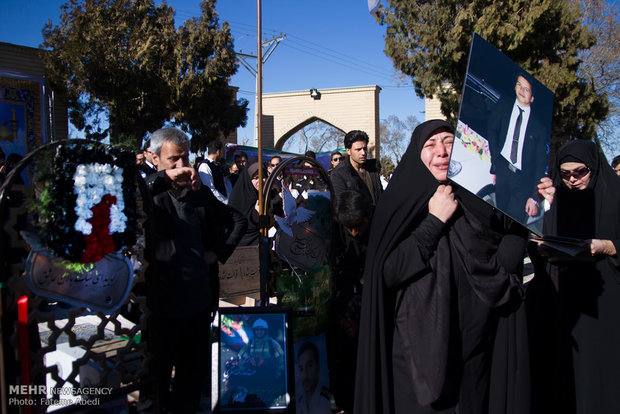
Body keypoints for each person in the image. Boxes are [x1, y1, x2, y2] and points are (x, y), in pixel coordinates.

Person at [354, 120, 529, 414]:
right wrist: (433, 222)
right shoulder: (398, 203)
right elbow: (387, 273)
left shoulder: (480, 203)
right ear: (416, 153)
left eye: (449, 142)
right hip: (418, 361)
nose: (442, 152)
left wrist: (525, 217)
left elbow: (500, 268)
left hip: (473, 355)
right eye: (431, 145)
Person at [140, 127, 247, 413]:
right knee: (155, 386)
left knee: (190, 384)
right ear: (154, 158)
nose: (181, 166)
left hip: (198, 307)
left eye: (185, 158)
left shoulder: (199, 195)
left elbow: (238, 221)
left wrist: (218, 253)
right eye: (173, 159)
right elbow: (131, 192)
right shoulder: (149, 196)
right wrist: (164, 179)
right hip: (161, 309)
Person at [526, 140, 620, 414]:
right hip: (563, 304)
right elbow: (533, 238)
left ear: (594, 167)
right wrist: (541, 247)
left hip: (606, 306)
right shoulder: (555, 199)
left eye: (580, 172)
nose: (572, 180)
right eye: (565, 174)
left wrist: (607, 246)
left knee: (603, 378)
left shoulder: (614, 197)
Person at [487, 72, 548, 222]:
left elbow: (540, 164)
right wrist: (496, 162)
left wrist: (534, 197)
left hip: (523, 181)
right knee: (498, 217)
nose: (521, 90)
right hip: (502, 171)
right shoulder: (504, 105)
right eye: (519, 85)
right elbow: (492, 130)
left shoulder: (539, 127)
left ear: (532, 98)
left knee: (515, 223)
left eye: (526, 89)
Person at [330, 130, 383, 209]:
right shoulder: (338, 174)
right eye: (358, 149)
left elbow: (380, 195)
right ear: (348, 150)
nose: (363, 153)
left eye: (365, 148)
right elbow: (342, 207)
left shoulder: (372, 168)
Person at [228, 158, 265, 246]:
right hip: (247, 246)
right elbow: (239, 225)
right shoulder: (238, 197)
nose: (260, 181)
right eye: (256, 178)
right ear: (249, 179)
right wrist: (256, 213)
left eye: (263, 177)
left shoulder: (269, 193)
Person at [296, 341, 331, 414]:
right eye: (301, 368)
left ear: (318, 366)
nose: (305, 375)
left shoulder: (326, 400)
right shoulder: (299, 401)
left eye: (309, 366)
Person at [198, 140, 231, 204]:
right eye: (222, 152)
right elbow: (210, 189)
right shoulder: (205, 166)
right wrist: (226, 202)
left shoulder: (217, 166)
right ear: (218, 152)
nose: (222, 154)